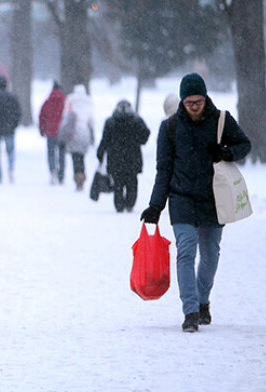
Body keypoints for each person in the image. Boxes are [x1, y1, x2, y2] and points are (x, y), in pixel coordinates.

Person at [140, 72, 251, 333]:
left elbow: (245, 144)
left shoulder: (221, 120)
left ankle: (203, 301)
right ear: (181, 101)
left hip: (215, 199)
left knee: (211, 255)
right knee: (186, 252)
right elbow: (163, 169)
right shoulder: (170, 128)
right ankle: (190, 311)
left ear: (205, 98)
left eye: (198, 102)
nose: (194, 107)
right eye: (189, 102)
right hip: (182, 199)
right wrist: (156, 205)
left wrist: (227, 152)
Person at [96, 99, 150, 213]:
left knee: (118, 184)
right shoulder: (136, 121)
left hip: (116, 159)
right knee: (132, 184)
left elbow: (104, 140)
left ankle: (119, 205)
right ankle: (130, 203)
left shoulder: (110, 122)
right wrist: (136, 140)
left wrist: (100, 154)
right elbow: (145, 135)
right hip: (132, 159)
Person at [62, 84, 95, 190]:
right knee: (82, 157)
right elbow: (92, 122)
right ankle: (82, 177)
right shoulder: (88, 103)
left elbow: (65, 118)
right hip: (84, 132)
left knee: (75, 157)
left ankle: (77, 177)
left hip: (73, 133)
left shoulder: (70, 102)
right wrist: (92, 136)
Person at [0, 76, 21, 183]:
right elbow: (18, 112)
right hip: (9, 129)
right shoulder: (12, 97)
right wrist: (14, 124)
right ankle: (10, 169)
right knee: (10, 151)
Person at [39, 81, 67, 185]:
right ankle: (61, 175)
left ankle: (53, 171)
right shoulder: (65, 101)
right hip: (62, 131)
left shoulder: (48, 101)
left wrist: (42, 130)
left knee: (51, 153)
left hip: (50, 131)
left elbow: (42, 116)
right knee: (61, 154)